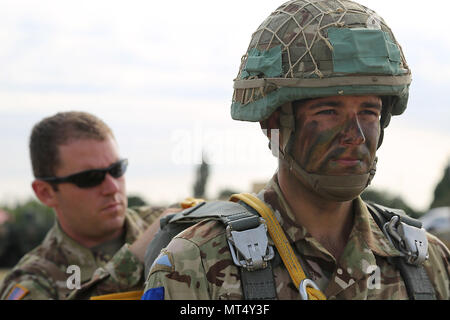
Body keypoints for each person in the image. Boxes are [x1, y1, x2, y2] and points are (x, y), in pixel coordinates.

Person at [143, 0, 449, 300]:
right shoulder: (195, 262)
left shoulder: (424, 262)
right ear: (274, 123)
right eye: (329, 111)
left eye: (368, 112)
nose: (354, 135)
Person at [0, 111, 173, 300]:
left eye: (116, 170)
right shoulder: (34, 280)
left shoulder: (173, 225)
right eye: (90, 178)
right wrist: (132, 263)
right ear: (46, 192)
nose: (111, 187)